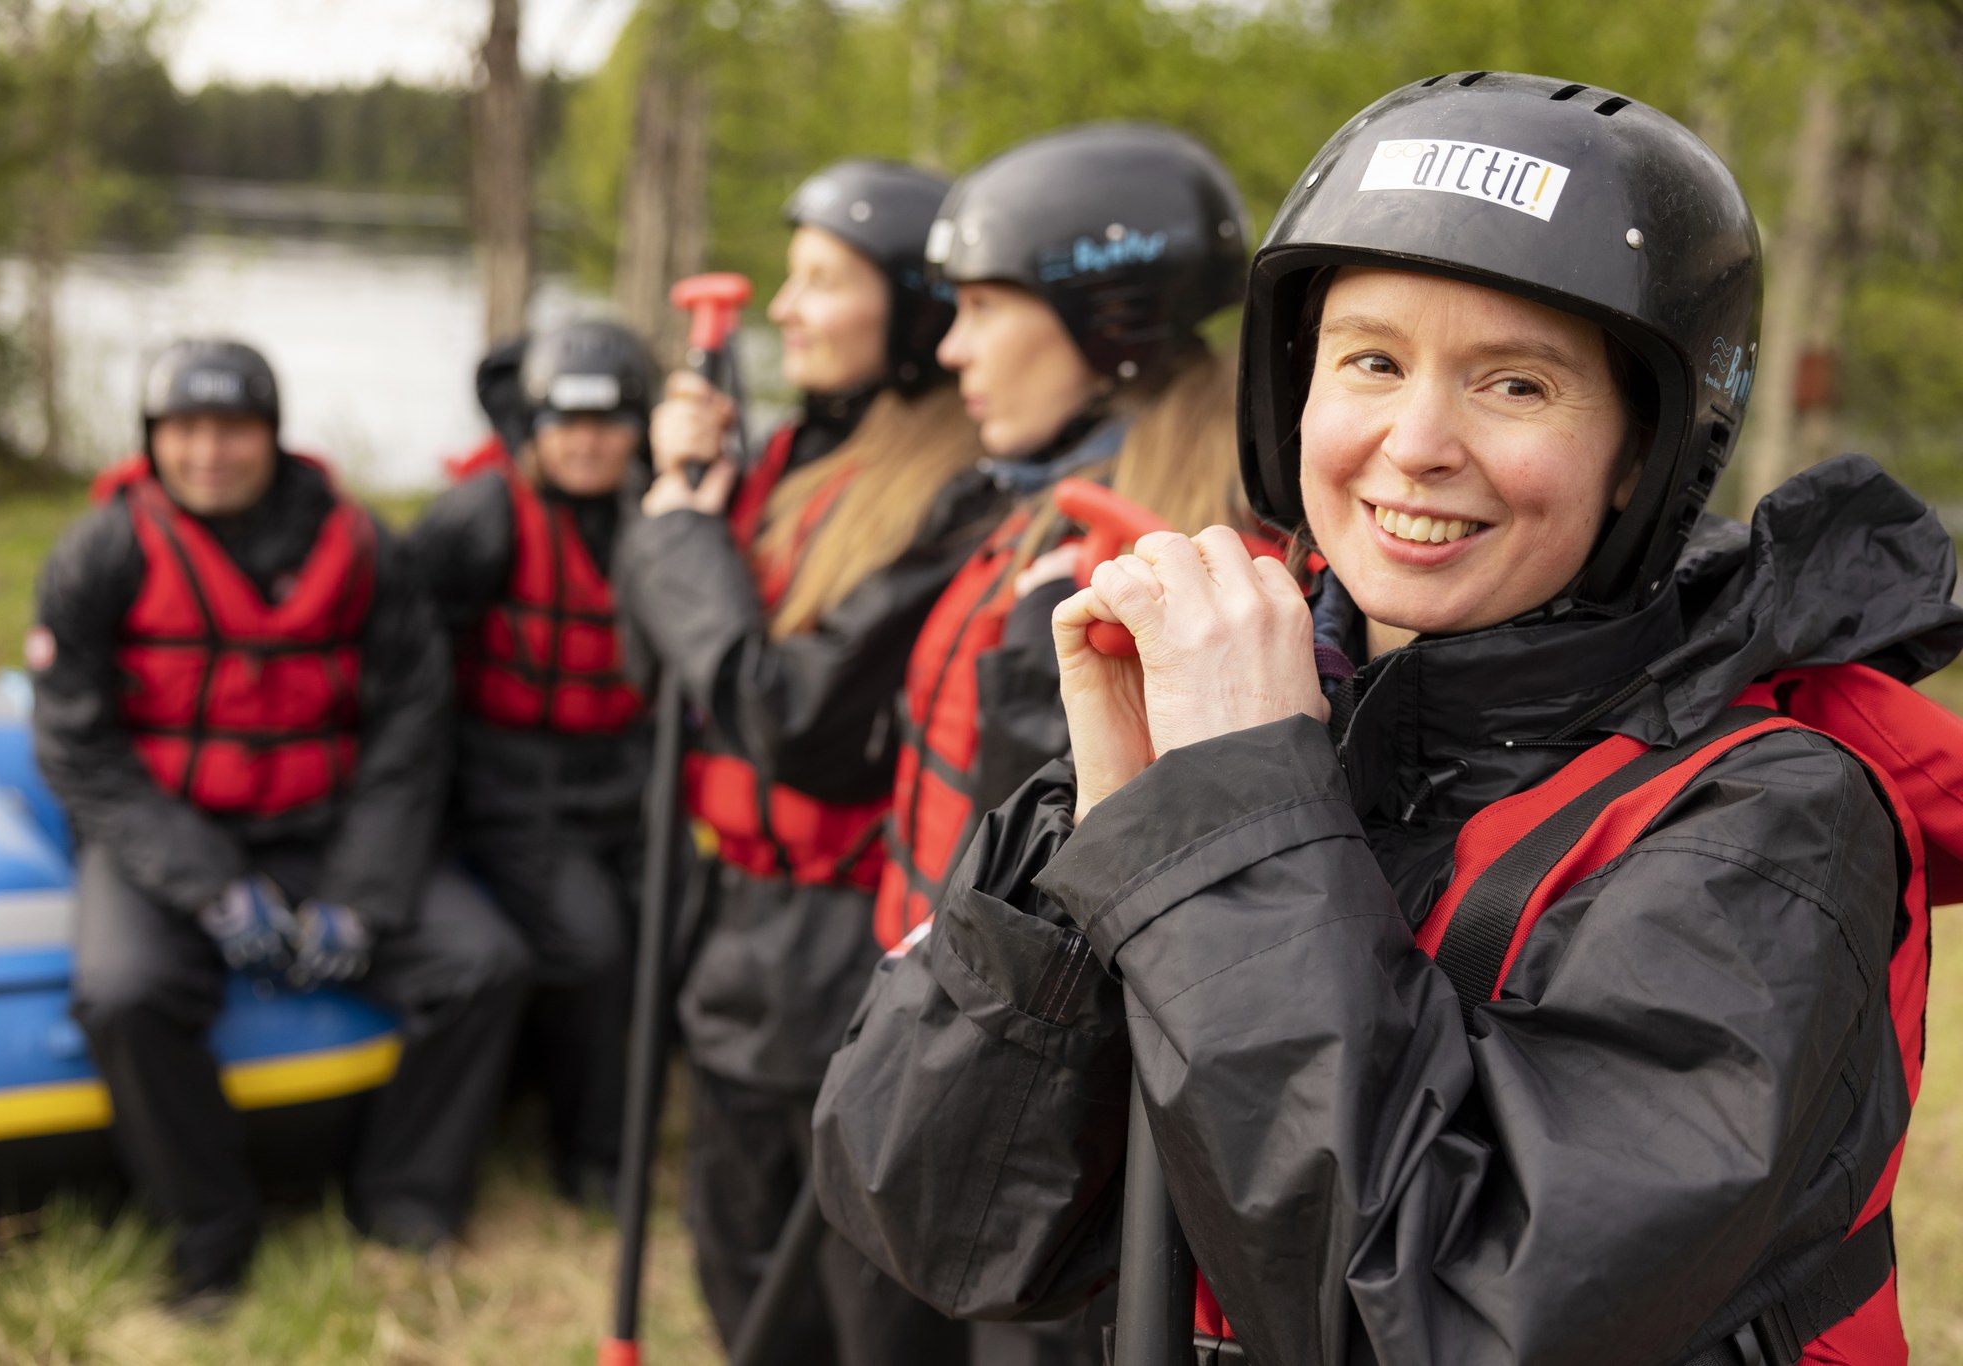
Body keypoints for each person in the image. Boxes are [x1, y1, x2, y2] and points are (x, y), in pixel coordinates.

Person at [814, 73, 1963, 1364]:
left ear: (1644, 454)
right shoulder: (1255, 698)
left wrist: (1234, 821)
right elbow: (940, 1218)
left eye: (1514, 384)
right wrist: (1100, 829)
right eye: (1371, 360)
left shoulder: (1771, 823)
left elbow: (1456, 1316)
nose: (1416, 442)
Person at [32, 340, 531, 1314]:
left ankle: (404, 1201)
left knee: (484, 964)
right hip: (169, 835)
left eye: (232, 430)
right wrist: (207, 885)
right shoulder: (100, 552)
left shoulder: (361, 547)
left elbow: (412, 728)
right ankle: (211, 1235)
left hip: (325, 826)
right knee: (124, 994)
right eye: (184, 431)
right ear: (151, 441)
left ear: (272, 435)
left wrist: (362, 893)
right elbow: (77, 747)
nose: (208, 453)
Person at [614, 160, 991, 1366]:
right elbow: (658, 668)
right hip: (736, 931)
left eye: (822, 281)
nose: (783, 308)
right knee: (734, 1259)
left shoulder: (959, 497)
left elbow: (802, 725)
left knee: (865, 1301)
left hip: (854, 948)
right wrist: (676, 495)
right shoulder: (784, 458)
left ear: (916, 312)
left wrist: (681, 539)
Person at [871, 122, 1253, 970]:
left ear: (1105, 323)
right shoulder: (1045, 499)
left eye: (983, 307)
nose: (950, 349)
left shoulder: (1151, 570)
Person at [409, 320, 658, 1208]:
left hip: (623, 780)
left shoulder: (655, 513)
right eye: (565, 422)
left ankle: (619, 1121)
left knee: (666, 933)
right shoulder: (477, 519)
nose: (586, 443)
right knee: (592, 950)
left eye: (608, 423)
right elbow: (408, 663)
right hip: (511, 785)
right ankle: (592, 1162)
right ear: (532, 425)